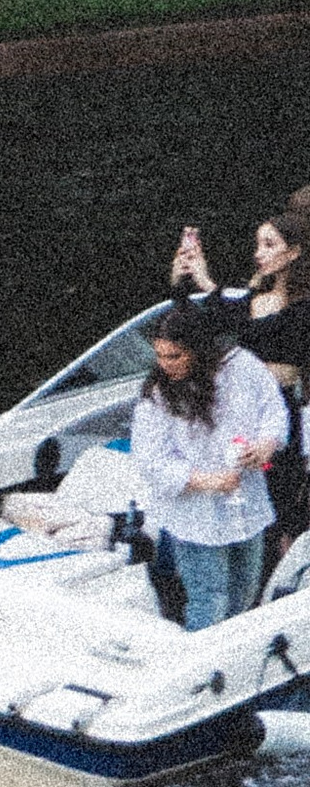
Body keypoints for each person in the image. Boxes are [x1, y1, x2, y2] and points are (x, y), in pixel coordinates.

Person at [128, 300, 287, 629]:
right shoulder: (157, 394)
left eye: (175, 356)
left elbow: (273, 409)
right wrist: (208, 481)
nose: (165, 364)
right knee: (209, 600)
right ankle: (199, 657)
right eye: (160, 356)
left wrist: (266, 445)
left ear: (199, 350)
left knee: (245, 594)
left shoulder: (242, 366)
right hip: (196, 515)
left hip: (247, 504)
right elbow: (151, 460)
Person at [172, 204, 310, 553]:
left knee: (281, 501)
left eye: (269, 245)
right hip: (243, 414)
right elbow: (208, 319)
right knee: (243, 495)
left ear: (294, 252)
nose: (259, 253)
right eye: (258, 244)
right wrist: (190, 278)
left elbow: (274, 339)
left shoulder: (302, 308)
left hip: (279, 415)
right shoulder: (255, 299)